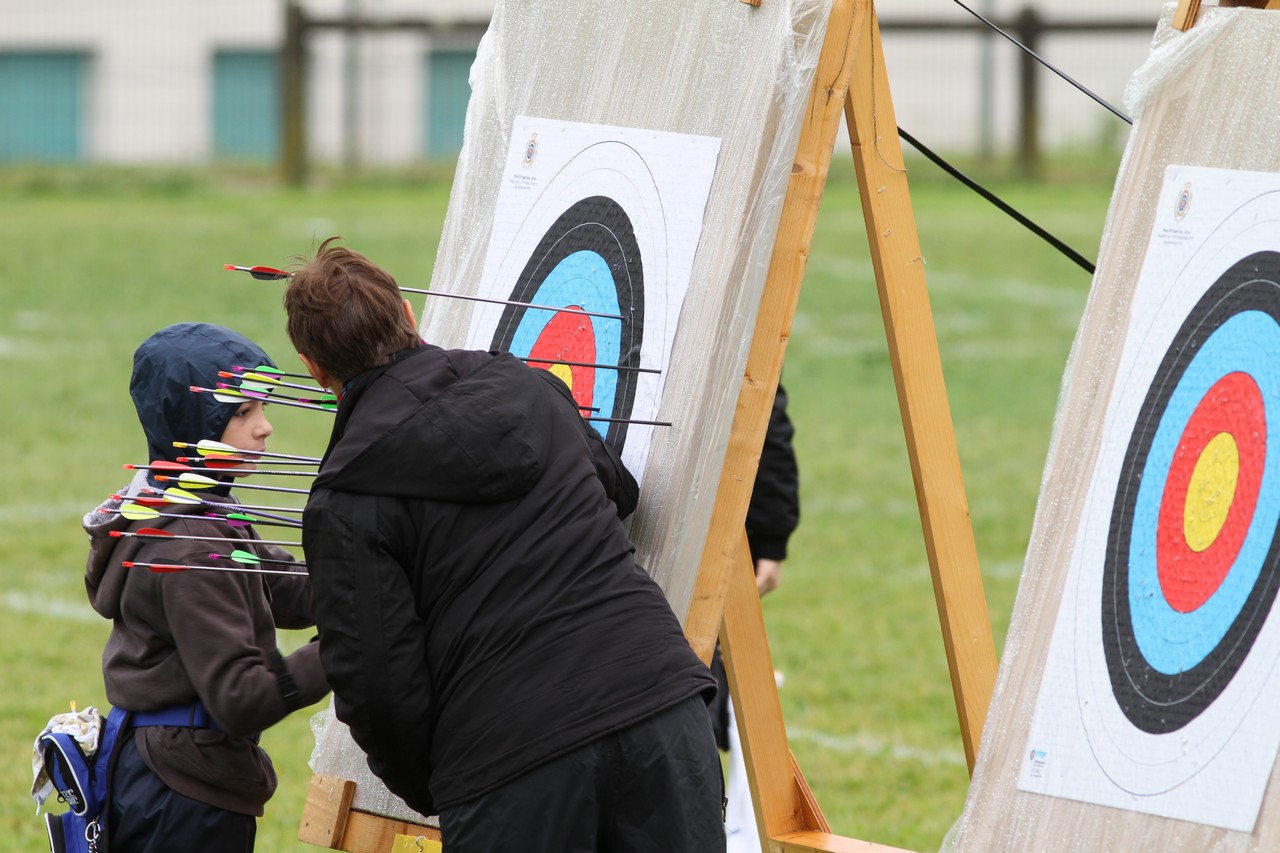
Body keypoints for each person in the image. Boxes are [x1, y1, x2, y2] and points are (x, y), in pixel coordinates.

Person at [282, 238, 724, 851]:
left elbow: (377, 684)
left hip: (510, 761)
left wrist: (445, 780)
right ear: (410, 315)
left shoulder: (344, 501)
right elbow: (616, 490)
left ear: (314, 367)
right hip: (658, 706)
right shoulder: (527, 387)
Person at [82, 322, 330, 852]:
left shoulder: (200, 504)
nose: (265, 428)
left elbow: (286, 589)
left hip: (173, 772)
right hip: (179, 796)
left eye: (263, 408)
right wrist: (349, 647)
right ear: (193, 421)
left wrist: (377, 577)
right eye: (242, 413)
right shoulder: (189, 544)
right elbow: (242, 697)